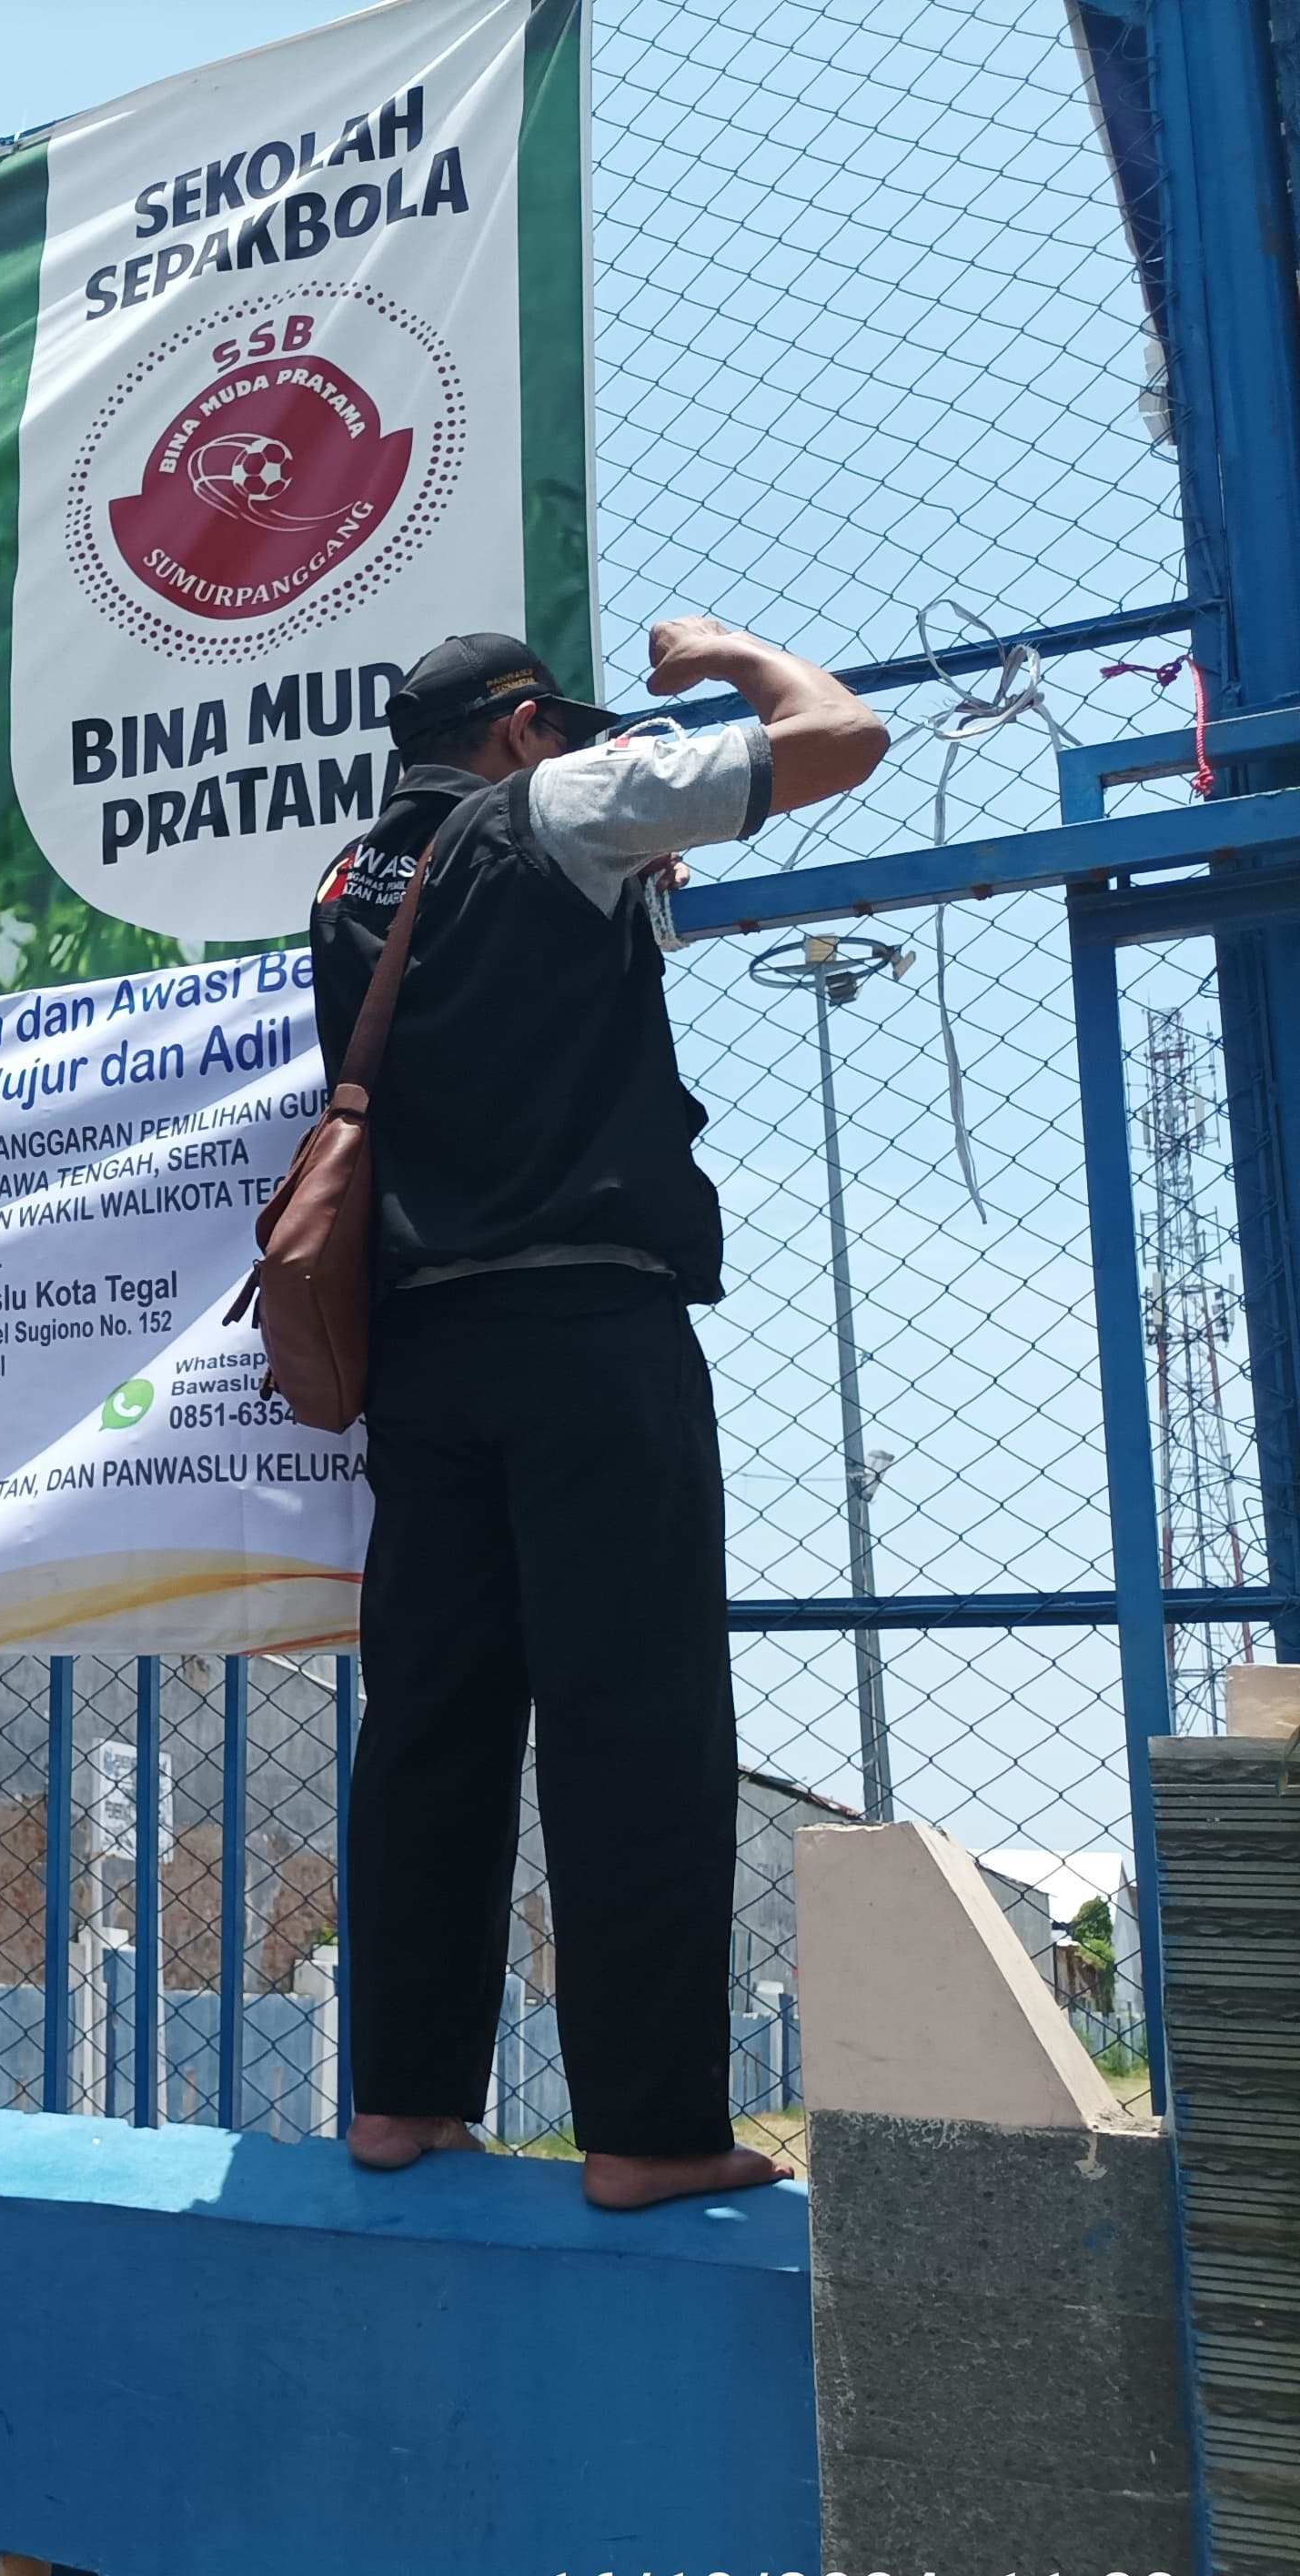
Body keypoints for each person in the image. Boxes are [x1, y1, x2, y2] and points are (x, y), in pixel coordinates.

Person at [311, 621, 886, 2212]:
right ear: (516, 730)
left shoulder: (349, 878)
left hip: (420, 1346)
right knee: (634, 1720)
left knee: (431, 1725)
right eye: (555, 724)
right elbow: (843, 738)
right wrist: (729, 654)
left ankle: (405, 2100)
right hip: (583, 1325)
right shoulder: (558, 809)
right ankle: (647, 2129)